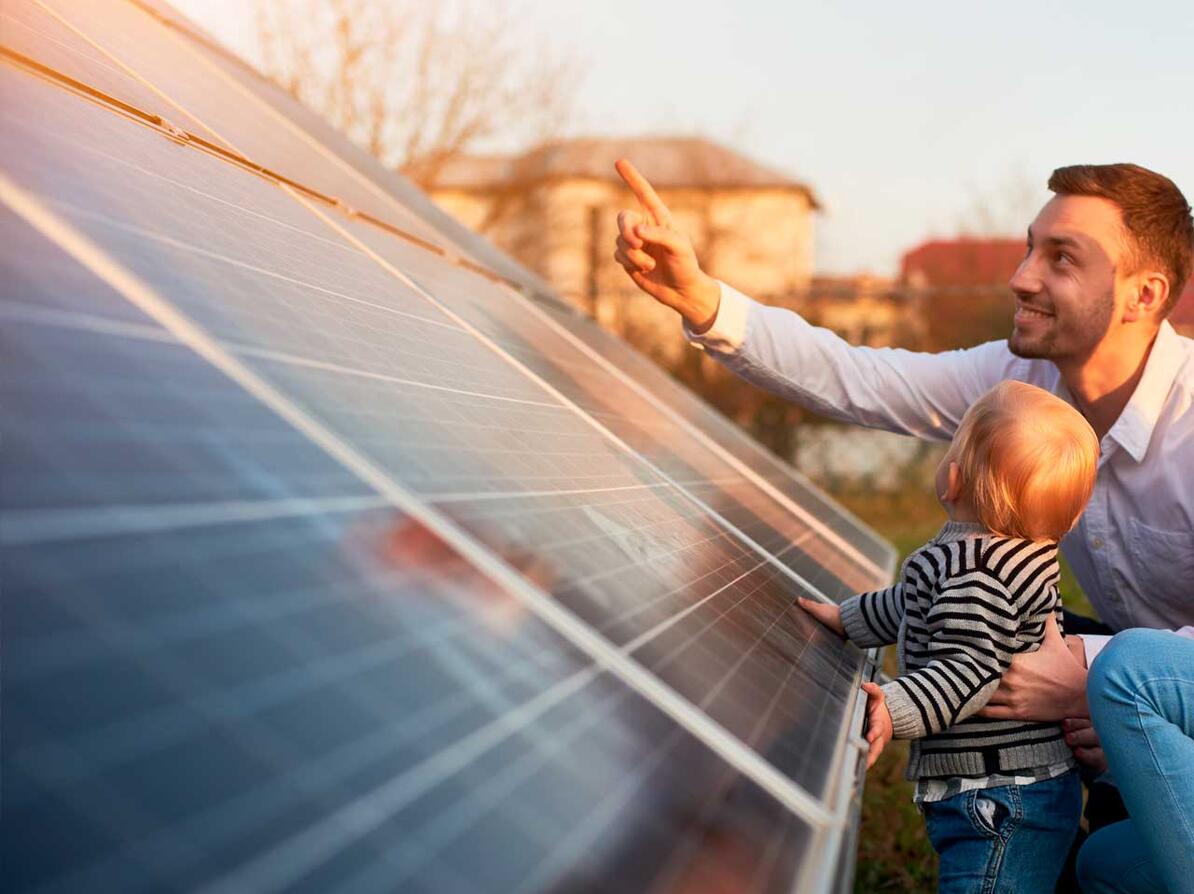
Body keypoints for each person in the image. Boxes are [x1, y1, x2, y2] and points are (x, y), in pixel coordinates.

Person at [799, 380, 1098, 892]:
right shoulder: (991, 559)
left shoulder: (976, 573)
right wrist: (848, 619)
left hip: (1000, 797)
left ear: (952, 479)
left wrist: (896, 706)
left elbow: (970, 670)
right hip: (1019, 788)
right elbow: (911, 604)